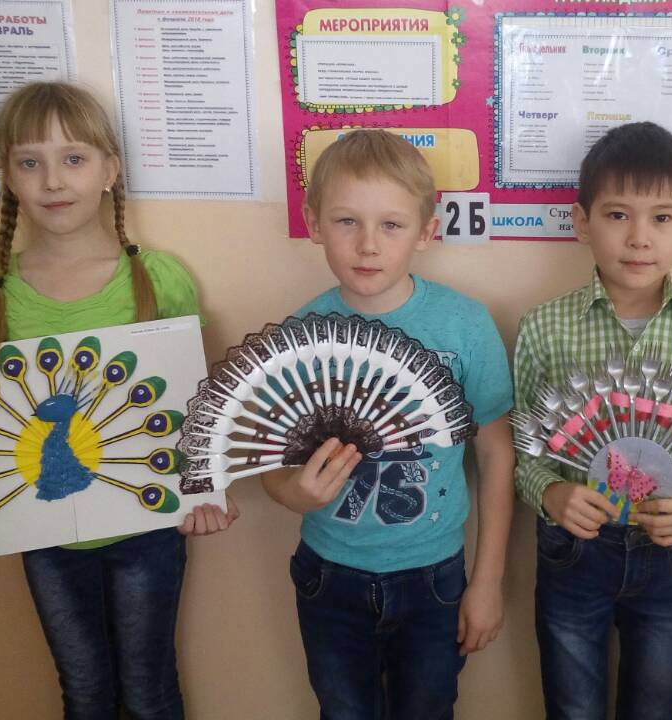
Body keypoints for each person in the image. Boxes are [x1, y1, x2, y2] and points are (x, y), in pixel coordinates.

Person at [0, 81, 238, 720]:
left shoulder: (158, 279)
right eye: (29, 161)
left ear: (109, 171)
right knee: (85, 692)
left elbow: (199, 402)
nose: (53, 180)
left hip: (149, 529)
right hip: (47, 541)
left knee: (149, 690)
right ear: (6, 175)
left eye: (73, 158)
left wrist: (208, 490)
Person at [262, 129, 515, 720]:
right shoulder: (298, 336)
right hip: (329, 575)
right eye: (347, 221)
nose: (368, 244)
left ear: (427, 231)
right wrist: (292, 493)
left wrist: (487, 582)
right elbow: (270, 461)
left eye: (392, 225)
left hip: (434, 577)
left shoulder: (464, 326)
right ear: (314, 222)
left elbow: (497, 454)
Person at [513, 121, 672, 719]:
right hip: (575, 550)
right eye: (618, 215)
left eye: (662, 217)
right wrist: (551, 493)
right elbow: (524, 452)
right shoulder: (545, 327)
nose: (639, 237)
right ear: (582, 222)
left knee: (656, 708)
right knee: (572, 709)